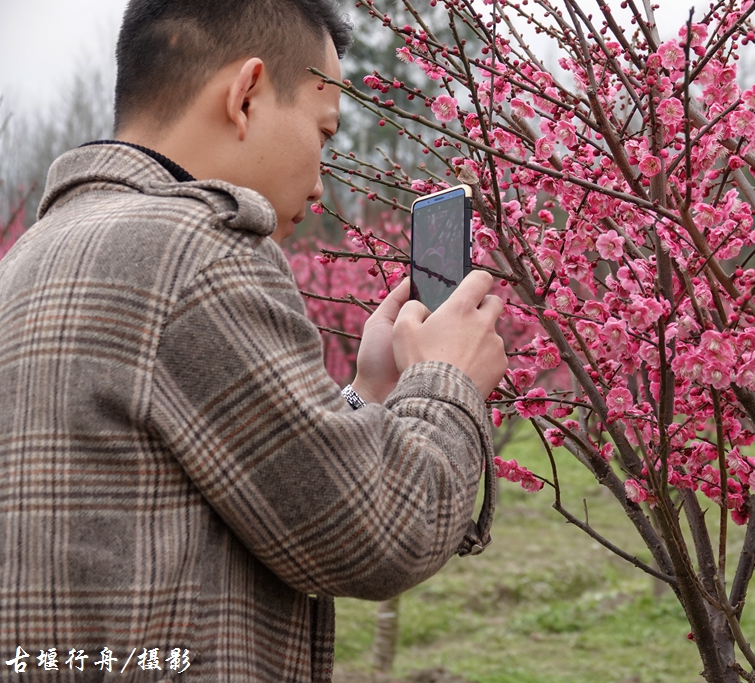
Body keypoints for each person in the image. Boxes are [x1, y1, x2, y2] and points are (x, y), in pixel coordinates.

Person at [0, 0, 507, 681]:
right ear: (245, 96)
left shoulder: (30, 257)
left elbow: (212, 478)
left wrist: (368, 395)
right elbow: (382, 532)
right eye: (324, 134)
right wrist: (448, 380)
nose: (322, 184)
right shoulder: (197, 250)